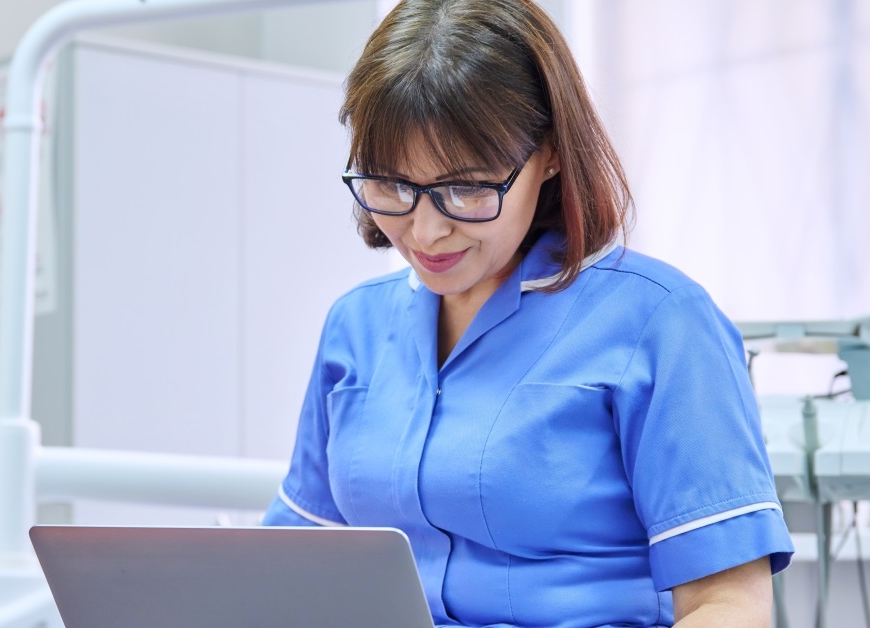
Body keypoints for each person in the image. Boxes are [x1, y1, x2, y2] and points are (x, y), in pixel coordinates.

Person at [260, 0, 794, 625]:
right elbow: (289, 566)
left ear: (550, 153)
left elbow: (728, 605)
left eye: (467, 188)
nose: (425, 231)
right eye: (393, 186)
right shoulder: (355, 327)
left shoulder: (662, 323)